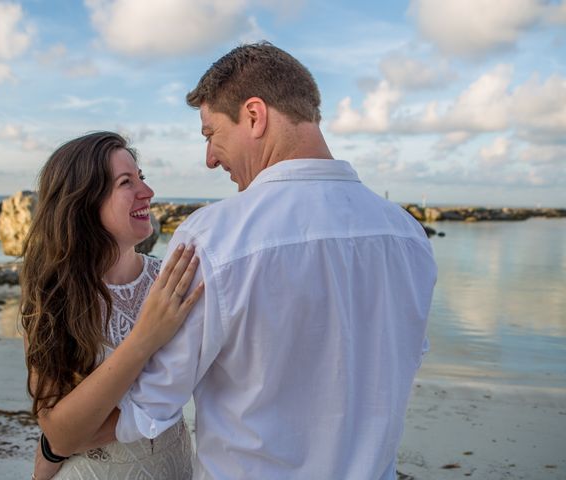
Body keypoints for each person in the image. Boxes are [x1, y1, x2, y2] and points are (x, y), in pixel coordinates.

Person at [114, 42, 438, 479]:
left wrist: (58, 441)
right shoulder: (408, 234)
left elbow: (150, 406)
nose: (210, 159)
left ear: (254, 115)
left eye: (211, 135)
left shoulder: (211, 238)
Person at [20, 131, 203, 479]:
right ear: (85, 202)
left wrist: (56, 447)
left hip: (175, 467)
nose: (147, 192)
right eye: (125, 182)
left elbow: (197, 385)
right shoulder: (52, 297)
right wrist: (145, 337)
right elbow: (61, 431)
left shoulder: (171, 280)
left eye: (142, 178)